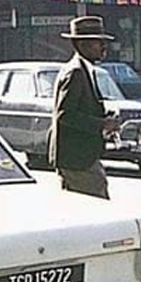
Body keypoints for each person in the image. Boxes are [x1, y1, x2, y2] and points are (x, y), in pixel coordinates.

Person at [49, 16, 121, 200]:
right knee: (97, 209)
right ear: (83, 45)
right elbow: (65, 115)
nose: (104, 48)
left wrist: (105, 119)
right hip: (77, 160)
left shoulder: (84, 69)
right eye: (99, 42)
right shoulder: (75, 72)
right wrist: (102, 124)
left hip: (82, 158)